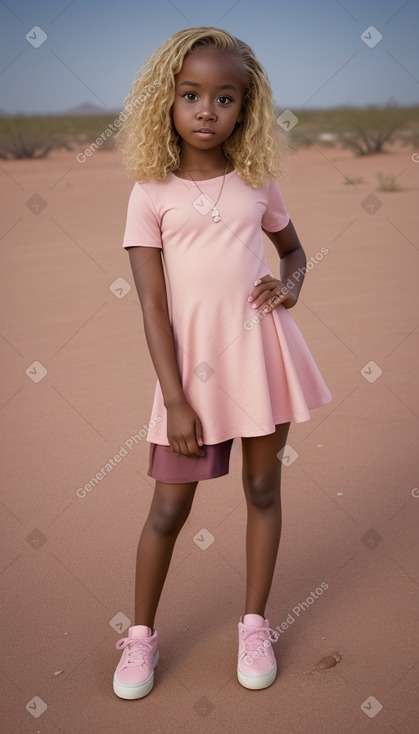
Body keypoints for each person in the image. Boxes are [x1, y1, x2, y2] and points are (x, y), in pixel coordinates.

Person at [113, 26, 332, 700]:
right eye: (191, 94)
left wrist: (290, 284)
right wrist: (175, 399)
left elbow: (293, 253)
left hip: (263, 359)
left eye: (225, 97)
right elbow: (152, 309)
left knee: (262, 493)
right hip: (190, 381)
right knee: (167, 511)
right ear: (167, 102)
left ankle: (254, 624)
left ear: (246, 107)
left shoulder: (256, 182)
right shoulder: (149, 192)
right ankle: (140, 638)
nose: (207, 109)